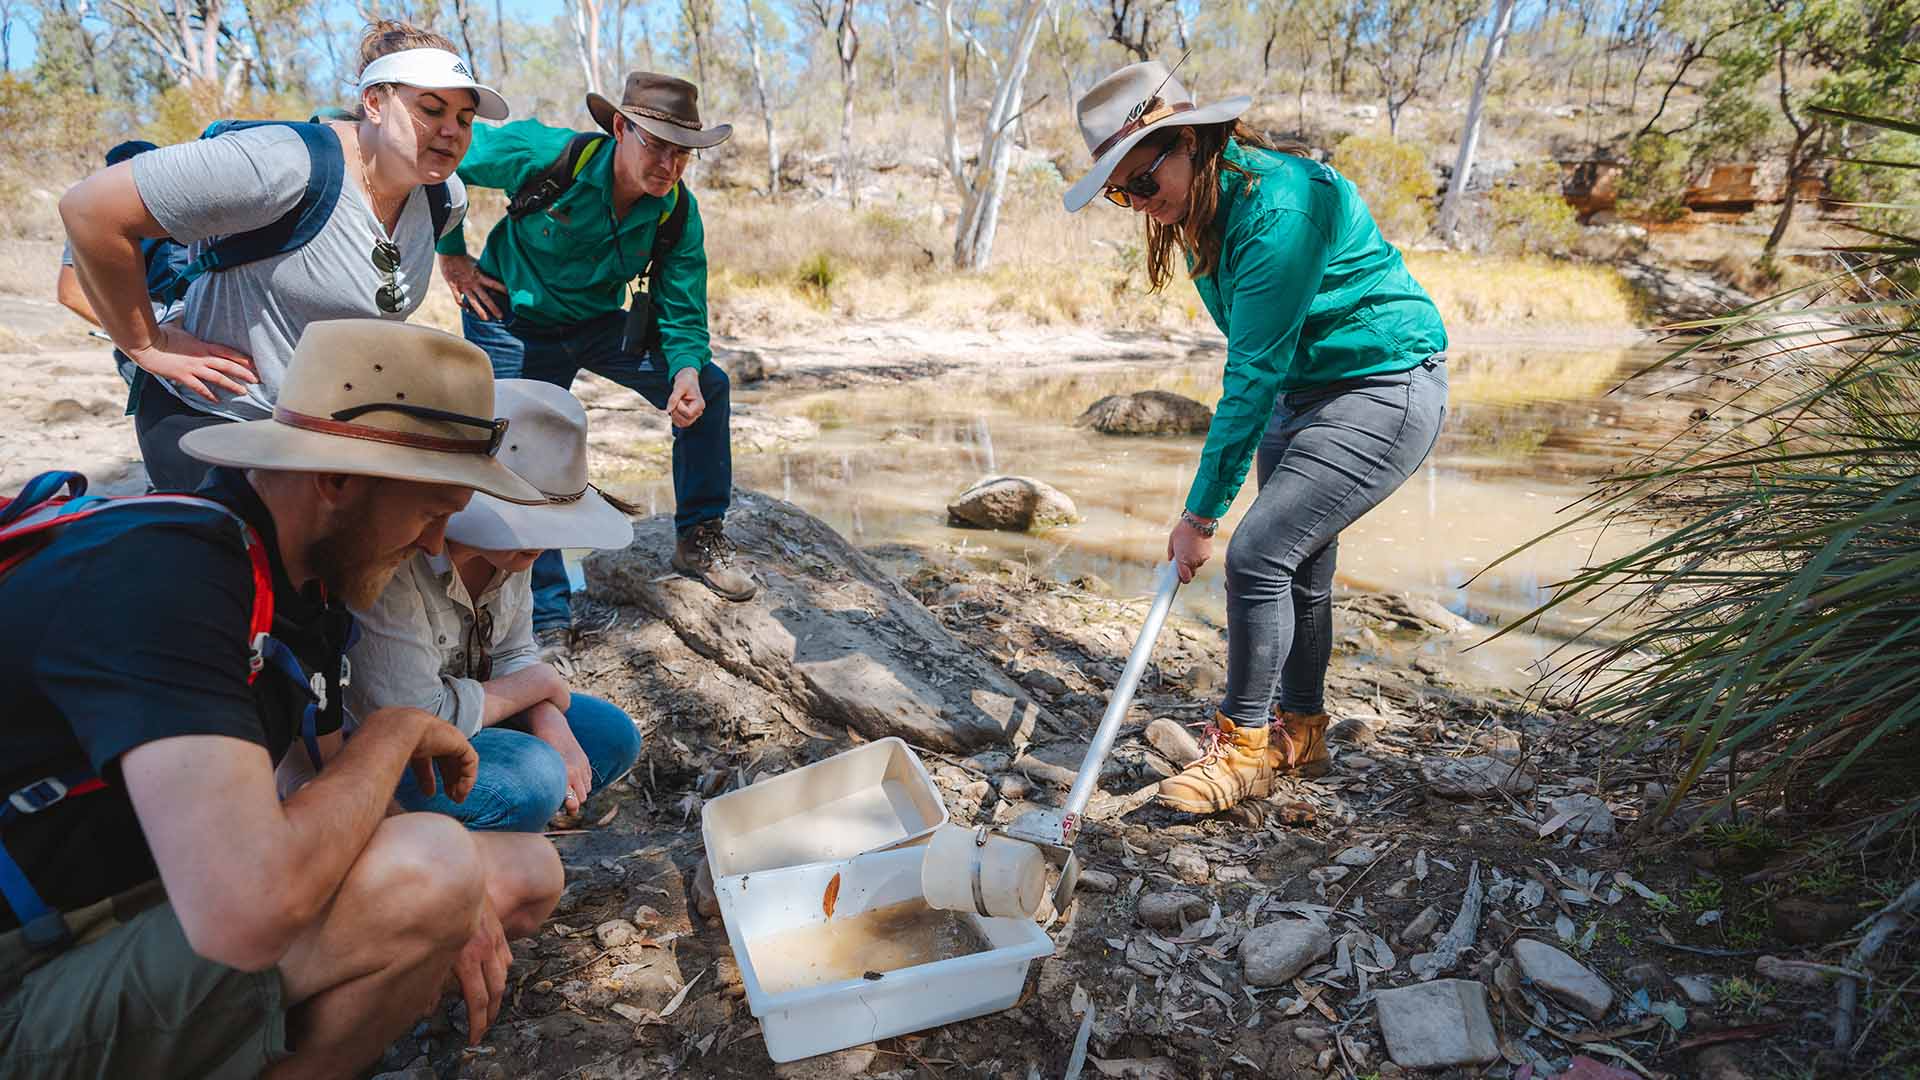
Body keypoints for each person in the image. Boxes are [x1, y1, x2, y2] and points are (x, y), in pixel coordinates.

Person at [0, 319, 561, 1077]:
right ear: (336, 481)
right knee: (431, 871)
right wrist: (392, 734)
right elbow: (248, 915)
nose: (436, 545)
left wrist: (447, 909)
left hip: (137, 906)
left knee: (522, 878)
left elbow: (336, 798)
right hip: (26, 977)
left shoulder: (295, 580)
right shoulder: (173, 581)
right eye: (431, 512)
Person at [1062, 61, 1450, 814]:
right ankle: (1300, 731)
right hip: (1306, 389)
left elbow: (1251, 373)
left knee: (1258, 551)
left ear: (1193, 139)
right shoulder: (1205, 208)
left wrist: (1200, 516)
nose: (1142, 203)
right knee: (1297, 562)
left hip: (1384, 384)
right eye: (1123, 193)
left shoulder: (1281, 208)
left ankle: (1242, 750)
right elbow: (1261, 362)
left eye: (1145, 179)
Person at [59, 19, 507, 493]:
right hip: (216, 417)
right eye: (431, 109)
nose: (451, 131)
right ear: (374, 102)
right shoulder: (283, 164)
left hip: (319, 426)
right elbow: (88, 210)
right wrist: (145, 345)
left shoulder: (445, 198)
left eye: (464, 119)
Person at [436, 69, 754, 661]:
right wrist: (451, 256)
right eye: (654, 145)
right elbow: (438, 160)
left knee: (708, 382)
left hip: (602, 324)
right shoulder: (547, 155)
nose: (668, 165)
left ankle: (699, 537)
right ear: (619, 128)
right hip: (510, 318)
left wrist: (683, 372)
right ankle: (548, 615)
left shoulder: (677, 213)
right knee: (523, 451)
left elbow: (683, 312)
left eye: (681, 153)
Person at [346, 379, 641, 832]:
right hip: (388, 748)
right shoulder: (398, 558)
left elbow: (513, 652)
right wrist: (538, 683)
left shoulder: (510, 557)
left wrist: (546, 714)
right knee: (536, 778)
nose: (543, 545)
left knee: (612, 736)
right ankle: (436, 839)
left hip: (473, 714)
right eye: (532, 521)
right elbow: (415, 716)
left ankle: (509, 817)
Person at [55, 140, 186, 386]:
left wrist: (134, 331)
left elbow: (69, 294)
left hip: (154, 339)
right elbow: (70, 294)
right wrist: (146, 331)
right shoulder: (185, 209)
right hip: (179, 333)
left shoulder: (90, 220)